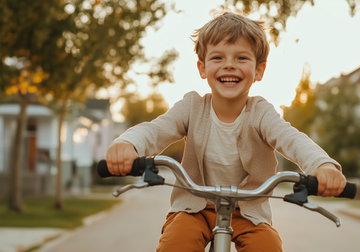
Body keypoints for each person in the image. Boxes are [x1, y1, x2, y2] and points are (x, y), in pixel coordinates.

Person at [106, 11, 347, 252]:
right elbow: (156, 130)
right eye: (217, 58)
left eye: (242, 58)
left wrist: (322, 166)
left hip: (248, 213)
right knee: (176, 244)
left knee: (267, 246)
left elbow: (292, 139)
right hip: (193, 210)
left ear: (259, 70)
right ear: (202, 68)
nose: (229, 65)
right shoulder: (191, 107)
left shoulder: (261, 113)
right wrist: (128, 145)